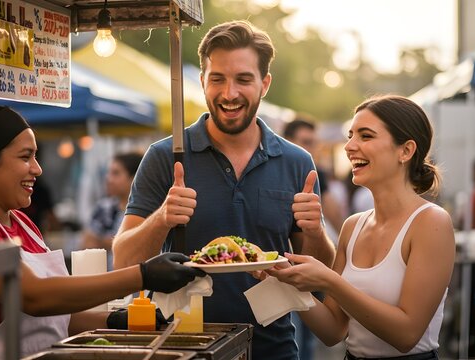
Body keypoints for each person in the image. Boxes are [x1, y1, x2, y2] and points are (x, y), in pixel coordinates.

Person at [112, 20, 335, 360]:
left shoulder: (296, 161)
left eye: (243, 79)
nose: (229, 93)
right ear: (202, 81)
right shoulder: (165, 156)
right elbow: (123, 261)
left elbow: (322, 276)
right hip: (182, 347)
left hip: (272, 350)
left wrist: (315, 231)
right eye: (217, 78)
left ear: (265, 83)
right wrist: (162, 219)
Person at [0, 105, 204, 359]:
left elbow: (56, 316)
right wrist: (143, 275)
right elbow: (35, 297)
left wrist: (116, 321)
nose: (37, 169)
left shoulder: (23, 223)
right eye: (26, 157)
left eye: (35, 156)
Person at [267, 95, 455, 359]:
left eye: (365, 136)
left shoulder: (431, 222)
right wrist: (285, 281)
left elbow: (407, 335)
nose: (349, 146)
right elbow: (333, 331)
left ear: (406, 151)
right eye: (350, 135)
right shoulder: (353, 226)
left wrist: (330, 280)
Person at [283, 117, 344, 360]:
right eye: (305, 141)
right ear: (288, 141)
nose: (311, 147)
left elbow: (333, 212)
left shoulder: (315, 172)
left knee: (307, 338)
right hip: (285, 276)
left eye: (313, 142)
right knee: (298, 334)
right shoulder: (283, 169)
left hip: (313, 264)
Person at [82, 152, 143, 269]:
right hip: (105, 279)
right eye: (109, 173)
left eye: (116, 173)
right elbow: (87, 243)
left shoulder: (149, 210)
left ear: (134, 178)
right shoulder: (104, 208)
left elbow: (138, 246)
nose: (108, 178)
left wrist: (104, 242)